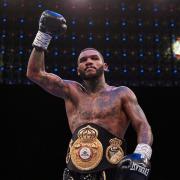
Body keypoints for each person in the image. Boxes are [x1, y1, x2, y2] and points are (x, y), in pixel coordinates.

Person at [26, 10, 153, 180]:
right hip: (74, 173)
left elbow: (143, 125)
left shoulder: (121, 93)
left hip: (111, 171)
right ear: (78, 70)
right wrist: (44, 34)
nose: (89, 62)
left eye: (94, 58)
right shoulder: (71, 91)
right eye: (83, 60)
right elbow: (35, 73)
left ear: (105, 66)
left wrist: (142, 154)